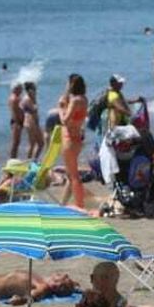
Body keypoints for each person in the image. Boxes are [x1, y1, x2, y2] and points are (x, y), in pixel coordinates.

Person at [59, 74, 89, 210]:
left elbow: (65, 120)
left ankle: (79, 205)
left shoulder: (75, 100)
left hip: (70, 139)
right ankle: (62, 203)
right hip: (77, 138)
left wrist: (60, 109)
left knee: (74, 176)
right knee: (70, 175)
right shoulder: (83, 99)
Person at [21, 83, 44, 159]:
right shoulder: (27, 99)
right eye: (34, 89)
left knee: (41, 143)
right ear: (29, 90)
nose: (35, 91)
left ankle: (34, 160)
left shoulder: (31, 98)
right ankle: (28, 162)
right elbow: (34, 109)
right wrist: (34, 99)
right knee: (32, 144)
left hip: (34, 122)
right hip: (30, 122)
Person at [7, 83, 26, 159]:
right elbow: (14, 112)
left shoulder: (16, 98)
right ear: (16, 89)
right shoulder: (14, 99)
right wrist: (18, 123)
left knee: (16, 142)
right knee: (15, 142)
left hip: (17, 121)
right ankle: (12, 159)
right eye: (20, 89)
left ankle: (14, 158)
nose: (22, 91)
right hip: (16, 122)